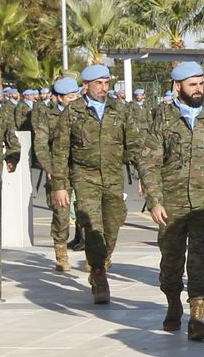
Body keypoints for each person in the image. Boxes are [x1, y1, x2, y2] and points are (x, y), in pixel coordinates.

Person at [139, 62, 204, 341]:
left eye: (201, 84)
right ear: (178, 86)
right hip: (172, 204)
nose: (199, 89)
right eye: (193, 84)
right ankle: (173, 303)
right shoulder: (163, 118)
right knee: (171, 260)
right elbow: (149, 163)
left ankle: (197, 318)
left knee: (200, 260)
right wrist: (155, 201)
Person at [51, 63, 140, 304]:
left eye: (106, 83)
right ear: (86, 86)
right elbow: (60, 151)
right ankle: (99, 275)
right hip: (84, 177)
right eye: (98, 83)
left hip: (113, 177)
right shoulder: (73, 112)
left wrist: (143, 175)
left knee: (113, 224)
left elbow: (134, 144)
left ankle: (102, 259)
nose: (103, 88)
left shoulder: (120, 110)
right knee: (92, 227)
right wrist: (60, 185)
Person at [32, 77, 79, 271]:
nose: (75, 99)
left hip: (83, 168)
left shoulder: (83, 113)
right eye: (70, 96)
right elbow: (41, 146)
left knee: (88, 211)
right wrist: (49, 168)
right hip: (59, 170)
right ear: (59, 98)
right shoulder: (47, 115)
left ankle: (95, 258)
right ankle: (61, 253)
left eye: (77, 95)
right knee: (61, 212)